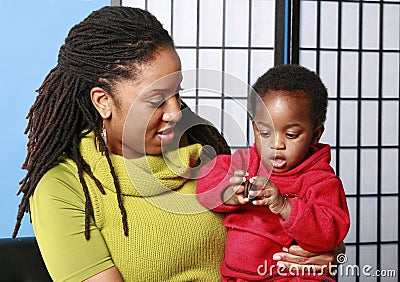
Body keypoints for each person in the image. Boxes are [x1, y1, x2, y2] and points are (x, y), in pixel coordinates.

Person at [13, 6, 343, 282]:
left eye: (177, 93)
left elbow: (269, 228)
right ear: (103, 101)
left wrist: (327, 253)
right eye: (157, 99)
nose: (175, 112)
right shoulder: (65, 186)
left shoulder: (201, 141)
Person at [196, 64, 350, 281]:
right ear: (255, 129)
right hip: (238, 276)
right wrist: (229, 193)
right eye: (265, 133)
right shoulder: (245, 163)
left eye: (292, 135)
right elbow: (206, 182)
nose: (276, 144)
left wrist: (285, 206)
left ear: (315, 135)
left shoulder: (321, 181)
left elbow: (329, 234)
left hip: (292, 275)